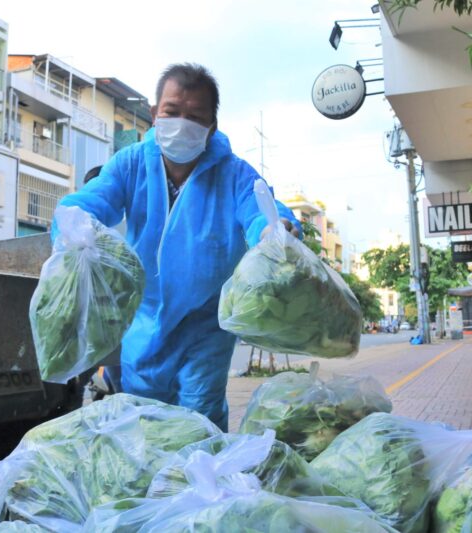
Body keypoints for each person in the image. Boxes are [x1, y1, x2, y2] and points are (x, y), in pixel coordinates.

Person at [56, 63, 301, 430]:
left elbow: (261, 210)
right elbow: (91, 201)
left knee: (198, 420)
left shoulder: (234, 173)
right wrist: (74, 228)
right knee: (145, 422)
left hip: (207, 326)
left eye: (195, 116)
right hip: (146, 320)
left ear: (212, 126)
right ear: (155, 114)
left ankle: (203, 482)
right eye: (172, 112)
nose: (182, 124)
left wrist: (275, 230)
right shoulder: (131, 165)